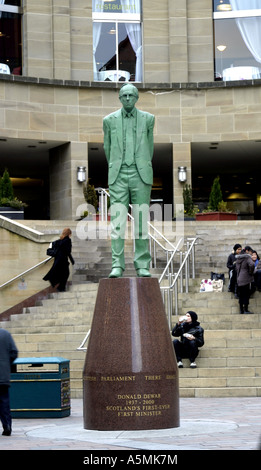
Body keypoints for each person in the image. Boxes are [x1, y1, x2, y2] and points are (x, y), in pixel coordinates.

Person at [103, 83, 155, 278]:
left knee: (141, 221)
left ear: (136, 97)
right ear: (119, 97)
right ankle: (117, 264)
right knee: (117, 223)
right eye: (123, 95)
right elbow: (107, 148)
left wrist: (139, 165)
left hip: (140, 174)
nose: (127, 99)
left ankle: (142, 265)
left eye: (130, 95)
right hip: (118, 174)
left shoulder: (148, 119)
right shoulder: (108, 120)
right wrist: (118, 166)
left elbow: (149, 148)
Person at [43, 227, 74, 292]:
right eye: (70, 234)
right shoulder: (68, 240)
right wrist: (71, 260)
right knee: (66, 274)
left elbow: (52, 245)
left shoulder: (59, 241)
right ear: (69, 234)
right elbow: (68, 251)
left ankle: (60, 287)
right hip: (63, 260)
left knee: (62, 273)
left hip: (58, 260)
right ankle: (61, 287)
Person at [0, 328, 18, 436]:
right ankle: (7, 425)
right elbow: (14, 352)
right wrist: (6, 364)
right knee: (4, 402)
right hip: (3, 375)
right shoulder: (6, 334)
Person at [235, 248, 255, 314]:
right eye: (251, 252)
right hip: (246, 278)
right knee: (246, 294)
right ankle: (246, 310)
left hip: (239, 278)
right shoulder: (247, 257)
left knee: (241, 295)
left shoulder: (238, 258)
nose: (251, 254)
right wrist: (250, 272)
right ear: (247, 251)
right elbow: (252, 264)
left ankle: (241, 310)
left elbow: (237, 268)